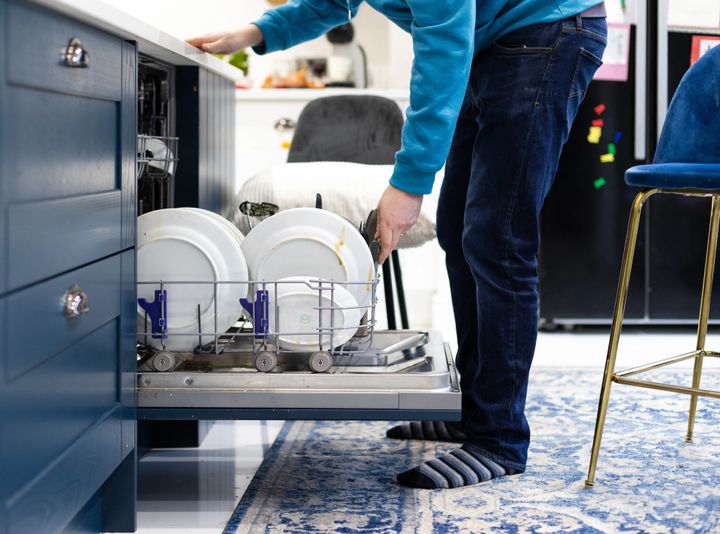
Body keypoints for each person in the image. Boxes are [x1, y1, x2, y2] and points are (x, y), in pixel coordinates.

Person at [189, 0, 607, 489]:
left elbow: (444, 46)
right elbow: (331, 2)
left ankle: (499, 438)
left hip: (545, 31)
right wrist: (254, 33)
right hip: (491, 40)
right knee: (459, 231)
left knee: (498, 237)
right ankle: (475, 410)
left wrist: (408, 185)